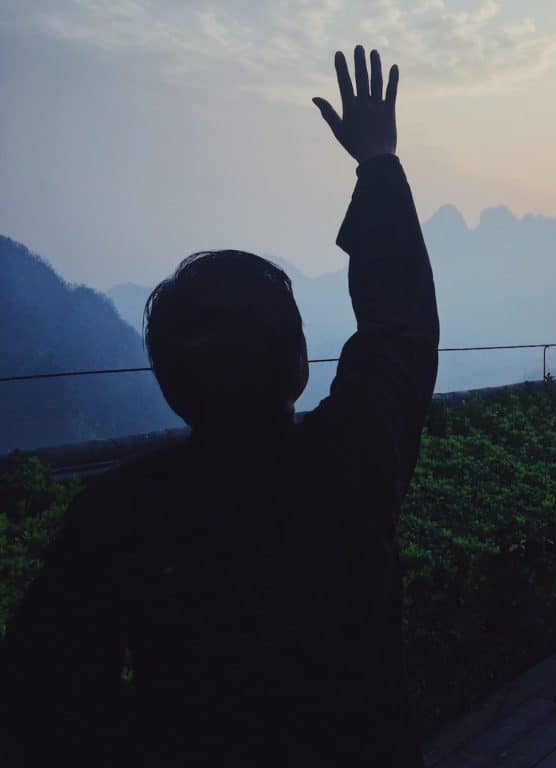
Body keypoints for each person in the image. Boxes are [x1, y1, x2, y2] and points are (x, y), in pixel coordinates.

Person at [0, 46, 437, 767]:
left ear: (171, 385)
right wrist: (379, 161)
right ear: (298, 365)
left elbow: (37, 700)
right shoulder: (355, 462)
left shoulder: (118, 520)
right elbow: (401, 325)